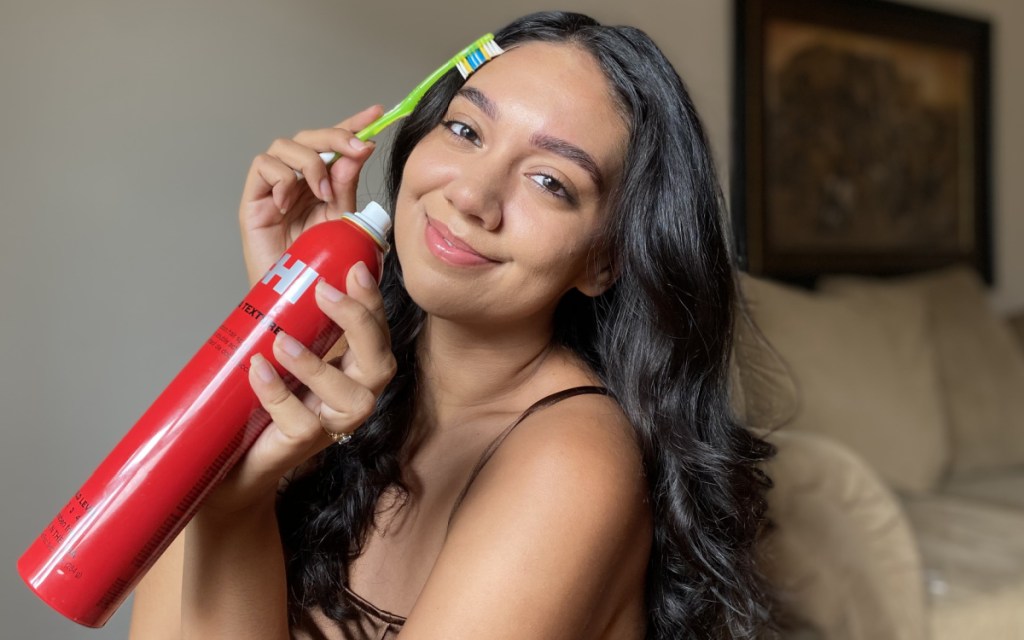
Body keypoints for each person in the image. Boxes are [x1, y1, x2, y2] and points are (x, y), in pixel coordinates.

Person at [129, 10, 776, 640]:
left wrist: (235, 507)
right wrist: (281, 324)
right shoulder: (359, 381)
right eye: (466, 132)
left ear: (603, 261)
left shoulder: (574, 464)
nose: (472, 196)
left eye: (550, 181)